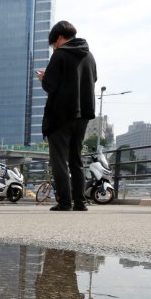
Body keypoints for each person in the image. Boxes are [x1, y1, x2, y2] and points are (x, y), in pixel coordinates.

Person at [37, 20, 97, 212]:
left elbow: (50, 86)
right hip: (82, 114)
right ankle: (80, 201)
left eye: (54, 43)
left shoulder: (60, 55)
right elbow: (93, 79)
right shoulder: (89, 56)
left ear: (59, 38)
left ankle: (64, 202)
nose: (54, 47)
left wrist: (43, 78)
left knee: (59, 160)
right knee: (76, 160)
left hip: (60, 115)